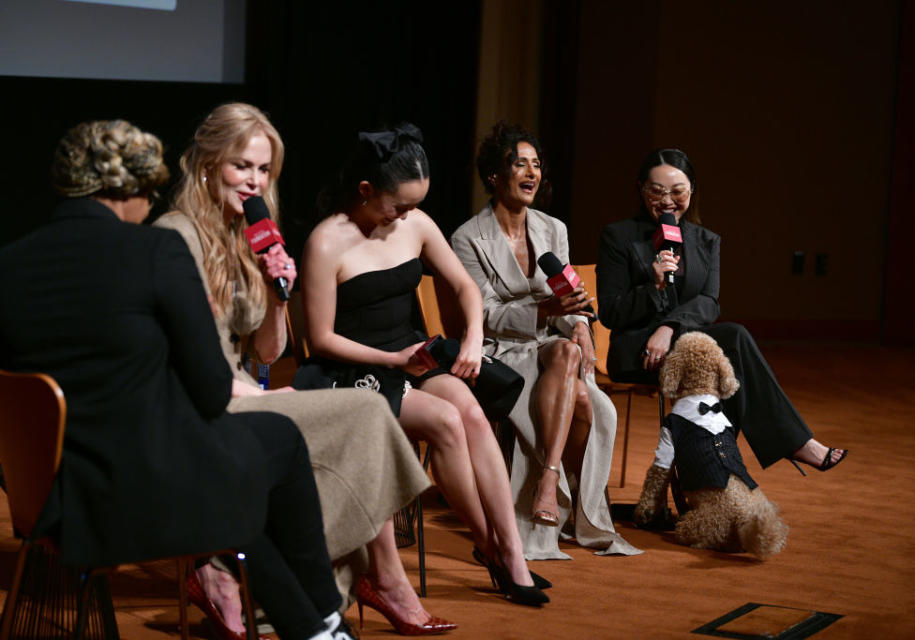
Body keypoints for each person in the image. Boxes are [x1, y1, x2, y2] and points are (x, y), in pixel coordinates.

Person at [0, 120, 353, 640]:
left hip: (46, 501)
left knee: (230, 481)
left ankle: (317, 628)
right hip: (137, 499)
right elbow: (211, 393)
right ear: (134, 190)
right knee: (276, 443)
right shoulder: (155, 252)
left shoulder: (8, 263)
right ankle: (324, 615)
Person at [154, 104, 454, 636]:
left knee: (365, 412)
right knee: (361, 415)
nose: (254, 180)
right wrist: (238, 391)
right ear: (206, 164)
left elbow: (269, 354)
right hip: (192, 398)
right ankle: (367, 580)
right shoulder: (176, 234)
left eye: (264, 170)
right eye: (241, 165)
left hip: (241, 388)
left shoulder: (247, 235)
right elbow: (178, 354)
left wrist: (275, 294)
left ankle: (237, 571)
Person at [298, 124, 549, 607]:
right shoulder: (326, 241)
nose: (408, 216)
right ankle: (489, 547)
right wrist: (393, 359)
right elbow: (322, 339)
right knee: (447, 420)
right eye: (400, 206)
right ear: (366, 191)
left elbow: (465, 288)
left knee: (474, 413)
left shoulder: (415, 224)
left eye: (415, 205)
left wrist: (474, 338)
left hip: (412, 352)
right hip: (354, 369)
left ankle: (512, 553)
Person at [596, 147, 849, 527]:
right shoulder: (619, 236)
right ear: (641, 190)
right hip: (638, 351)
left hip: (685, 349)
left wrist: (670, 327)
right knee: (731, 344)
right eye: (656, 191)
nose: (667, 201)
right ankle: (791, 446)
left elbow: (709, 303)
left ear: (692, 191)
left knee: (728, 344)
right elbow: (612, 313)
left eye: (677, 191)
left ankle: (710, 494)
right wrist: (653, 283)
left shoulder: (706, 240)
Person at [450, 122, 640, 560]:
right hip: (498, 350)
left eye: (536, 164)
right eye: (520, 164)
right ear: (496, 176)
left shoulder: (553, 229)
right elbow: (484, 314)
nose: (531, 172)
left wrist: (579, 326)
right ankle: (563, 495)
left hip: (552, 346)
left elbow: (568, 298)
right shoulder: (467, 238)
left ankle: (548, 483)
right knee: (586, 404)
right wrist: (545, 312)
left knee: (571, 352)